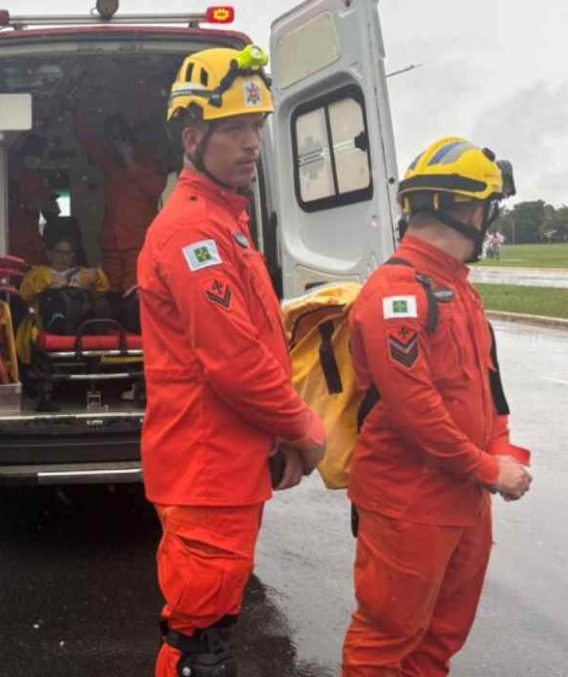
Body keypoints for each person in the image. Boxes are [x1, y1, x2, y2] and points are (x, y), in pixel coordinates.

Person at [137, 45, 326, 676]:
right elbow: (236, 361)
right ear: (194, 137)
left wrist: (280, 432)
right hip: (206, 470)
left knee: (212, 627)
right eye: (235, 129)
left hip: (224, 465)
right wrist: (303, 427)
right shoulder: (194, 230)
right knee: (201, 641)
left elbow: (255, 342)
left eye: (258, 126)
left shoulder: (225, 222)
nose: (252, 143)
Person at [341, 138, 531, 675]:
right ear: (470, 211)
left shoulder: (458, 290)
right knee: (386, 640)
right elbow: (414, 411)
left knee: (440, 638)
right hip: (409, 504)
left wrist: (502, 452)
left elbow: (488, 389)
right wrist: (490, 468)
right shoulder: (394, 293)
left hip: (465, 498)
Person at [77, 111, 166, 292]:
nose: (115, 143)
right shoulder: (109, 161)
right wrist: (74, 111)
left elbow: (157, 189)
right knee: (109, 288)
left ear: (129, 137)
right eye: (111, 138)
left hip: (139, 241)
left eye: (119, 137)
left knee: (135, 290)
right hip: (112, 240)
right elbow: (87, 143)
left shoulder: (148, 159)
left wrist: (131, 164)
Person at [15, 225, 111, 363]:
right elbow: (25, 293)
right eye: (59, 252)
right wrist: (49, 281)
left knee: (102, 304)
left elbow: (103, 290)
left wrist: (97, 277)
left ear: (72, 256)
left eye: (67, 253)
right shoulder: (38, 273)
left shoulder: (82, 273)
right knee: (55, 297)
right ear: (49, 253)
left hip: (82, 321)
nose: (63, 257)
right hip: (49, 322)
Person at [8, 134, 54, 265]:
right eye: (31, 153)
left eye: (38, 155)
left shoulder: (40, 181)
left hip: (33, 240)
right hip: (14, 240)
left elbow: (51, 213)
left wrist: (49, 206)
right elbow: (2, 208)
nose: (35, 158)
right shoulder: (10, 177)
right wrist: (27, 206)